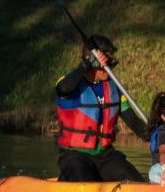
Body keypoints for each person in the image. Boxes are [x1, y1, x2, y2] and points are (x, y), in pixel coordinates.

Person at [55, 34, 148, 182]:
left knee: (136, 181)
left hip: (105, 156)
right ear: (91, 60)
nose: (110, 67)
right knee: (83, 181)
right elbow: (62, 89)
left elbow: (133, 121)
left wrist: (156, 134)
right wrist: (86, 65)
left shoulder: (114, 89)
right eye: (108, 62)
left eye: (112, 63)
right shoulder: (71, 84)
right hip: (75, 155)